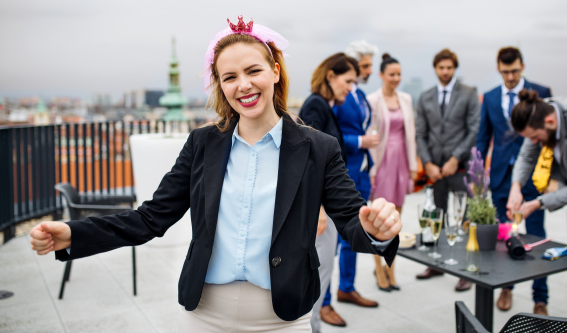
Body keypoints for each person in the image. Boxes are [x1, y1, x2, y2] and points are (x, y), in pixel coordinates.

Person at [29, 17, 402, 332]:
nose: (243, 85)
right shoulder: (202, 144)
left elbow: (352, 220)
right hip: (205, 317)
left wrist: (376, 231)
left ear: (274, 71)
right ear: (220, 85)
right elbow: (149, 218)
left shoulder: (318, 148)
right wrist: (74, 234)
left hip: (283, 321)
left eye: (253, 70)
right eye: (230, 77)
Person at [508, 90, 567, 319]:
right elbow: (527, 156)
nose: (534, 143)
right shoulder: (539, 113)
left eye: (536, 138)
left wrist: (537, 203)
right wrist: (516, 187)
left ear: (550, 122)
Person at [476, 47, 552, 315]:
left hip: (532, 178)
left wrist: (549, 177)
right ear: (499, 69)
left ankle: (540, 298)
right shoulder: (490, 97)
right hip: (499, 177)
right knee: (503, 236)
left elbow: (550, 140)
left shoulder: (541, 91)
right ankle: (506, 287)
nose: (510, 76)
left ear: (523, 66)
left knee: (536, 236)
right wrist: (478, 178)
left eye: (515, 71)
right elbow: (484, 138)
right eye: (506, 71)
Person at [298, 52, 360, 330]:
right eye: (348, 81)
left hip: (321, 206)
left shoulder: (323, 106)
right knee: (319, 276)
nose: (351, 87)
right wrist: (320, 208)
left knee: (322, 274)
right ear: (331, 76)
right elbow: (307, 159)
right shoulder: (316, 106)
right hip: (319, 209)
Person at [318, 40, 380, 314]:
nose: (368, 70)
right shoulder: (338, 98)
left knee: (356, 235)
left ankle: (347, 287)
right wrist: (360, 142)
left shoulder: (359, 95)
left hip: (363, 171)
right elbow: (334, 136)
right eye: (364, 65)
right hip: (346, 170)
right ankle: (325, 301)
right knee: (333, 240)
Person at [415, 48, 480, 292]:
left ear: (454, 69)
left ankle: (466, 270)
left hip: (460, 167)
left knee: (465, 219)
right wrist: (428, 163)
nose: (445, 71)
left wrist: (455, 158)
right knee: (436, 217)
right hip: (434, 169)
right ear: (435, 69)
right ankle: (437, 264)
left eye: (449, 68)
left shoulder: (469, 93)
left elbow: (473, 130)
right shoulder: (426, 96)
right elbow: (421, 133)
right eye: (441, 68)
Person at [367, 53, 418, 291]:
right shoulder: (373, 100)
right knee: (379, 220)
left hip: (401, 162)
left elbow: (411, 135)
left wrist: (413, 166)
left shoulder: (406, 99)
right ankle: (378, 267)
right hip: (383, 162)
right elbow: (372, 135)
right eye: (392, 74)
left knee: (396, 220)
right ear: (381, 75)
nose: (396, 78)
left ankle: (391, 268)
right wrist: (373, 169)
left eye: (399, 74)